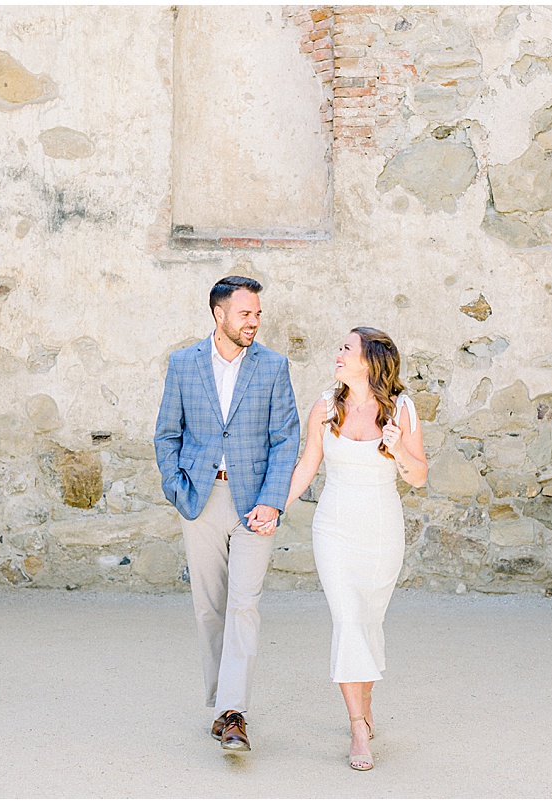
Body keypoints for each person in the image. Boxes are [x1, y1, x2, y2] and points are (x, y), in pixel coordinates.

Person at [153, 275, 301, 753]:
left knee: (244, 605)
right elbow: (166, 435)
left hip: (255, 502)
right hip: (201, 500)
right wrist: (177, 489)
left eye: (257, 313)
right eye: (245, 313)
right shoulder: (183, 364)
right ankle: (222, 707)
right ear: (219, 315)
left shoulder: (274, 367)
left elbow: (286, 439)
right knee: (209, 608)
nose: (254, 321)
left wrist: (273, 500)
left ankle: (234, 713)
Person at [280, 327, 428, 771]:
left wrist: (399, 446)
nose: (338, 354)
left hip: (382, 530)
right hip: (335, 529)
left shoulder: (401, 409)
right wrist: (274, 508)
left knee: (368, 620)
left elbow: (418, 476)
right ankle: (358, 725)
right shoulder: (325, 407)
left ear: (370, 360)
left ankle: (364, 703)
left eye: (346, 348)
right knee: (347, 619)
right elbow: (308, 464)